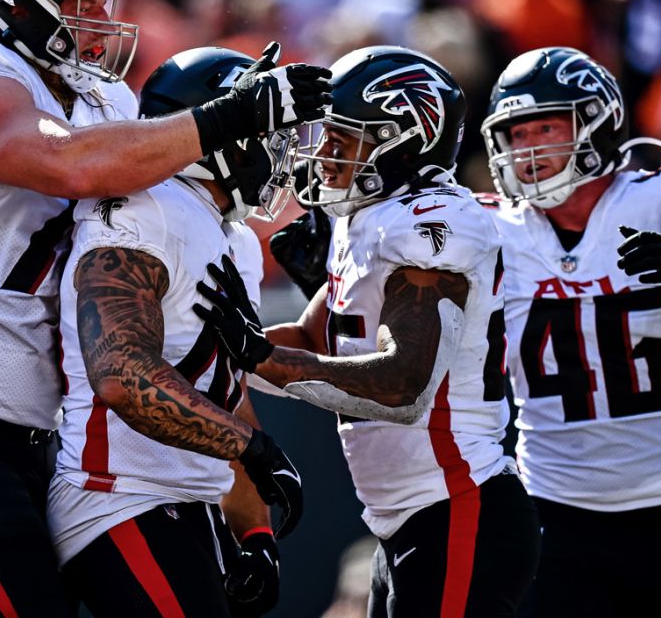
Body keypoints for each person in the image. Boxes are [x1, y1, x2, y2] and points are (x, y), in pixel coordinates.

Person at [0, 0, 331, 618]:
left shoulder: (104, 98)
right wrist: (229, 118)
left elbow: (188, 341)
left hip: (36, 436)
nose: (100, 17)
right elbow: (64, 163)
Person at [195, 46, 540, 617]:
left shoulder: (431, 224)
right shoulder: (365, 218)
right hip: (407, 520)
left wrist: (254, 352)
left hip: (459, 505)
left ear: (406, 141)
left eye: (344, 139)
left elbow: (404, 385)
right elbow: (310, 343)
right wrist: (209, 347)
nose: (325, 155)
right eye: (326, 135)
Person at [476, 46, 661, 618]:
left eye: (546, 127)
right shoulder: (488, 229)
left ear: (595, 122)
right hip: (555, 509)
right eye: (517, 134)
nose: (528, 150)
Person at [50, 47, 303, 617]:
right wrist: (252, 449)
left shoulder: (231, 235)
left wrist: (255, 534)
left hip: (189, 503)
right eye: (261, 127)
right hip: (117, 497)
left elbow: (226, 394)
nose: (279, 147)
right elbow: (120, 374)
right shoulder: (145, 206)